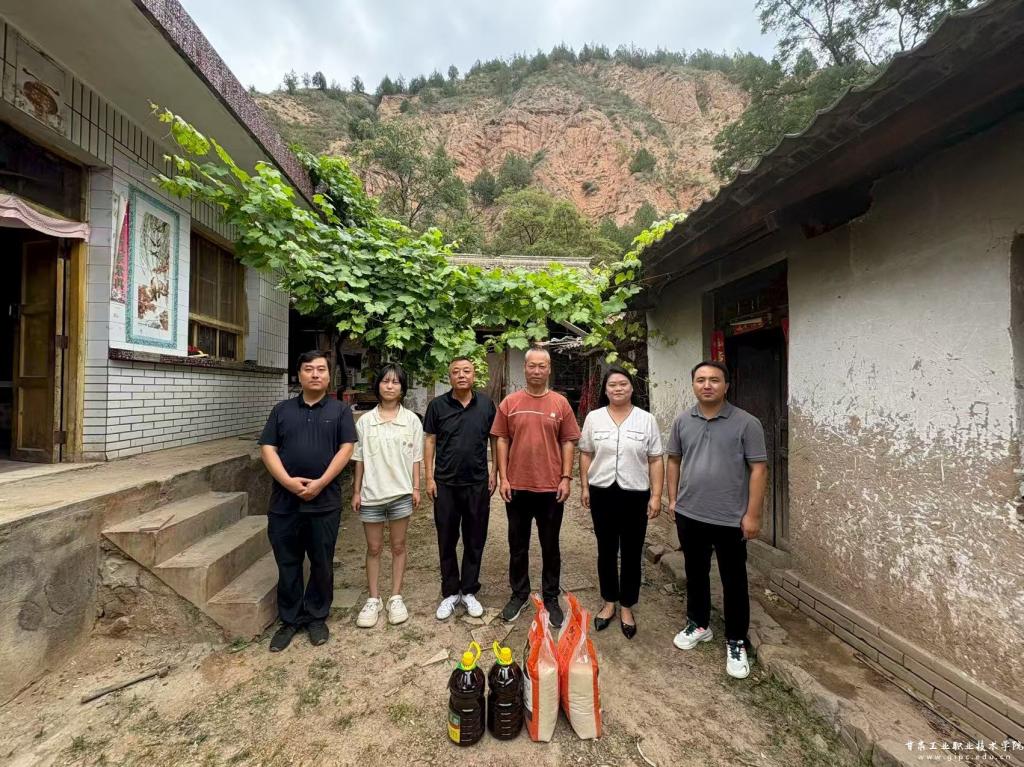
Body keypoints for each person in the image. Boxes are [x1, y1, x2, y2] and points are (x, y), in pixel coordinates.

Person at [667, 360, 768, 679]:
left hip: (730, 518)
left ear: (726, 386)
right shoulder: (683, 420)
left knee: (733, 579)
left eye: (714, 380)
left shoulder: (747, 423)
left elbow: (759, 469)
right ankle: (699, 624)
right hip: (690, 513)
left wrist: (752, 514)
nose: (707, 385)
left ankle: (736, 639)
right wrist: (673, 499)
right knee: (695, 572)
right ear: (693, 385)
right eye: (700, 380)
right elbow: (674, 459)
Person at [259, 351, 357, 652]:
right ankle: (289, 619)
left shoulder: (340, 411)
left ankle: (316, 616)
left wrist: (321, 482)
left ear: (329, 376)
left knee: (321, 561)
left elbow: (346, 449)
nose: (315, 374)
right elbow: (268, 448)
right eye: (309, 369)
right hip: (284, 503)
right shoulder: (282, 410)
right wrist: (288, 482)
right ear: (299, 375)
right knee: (287, 561)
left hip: (324, 501)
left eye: (321, 369)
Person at [491, 346, 580, 628]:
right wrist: (504, 478)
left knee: (550, 546)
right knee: (517, 545)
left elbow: (568, 441)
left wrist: (566, 477)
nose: (537, 371)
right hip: (517, 486)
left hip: (550, 488)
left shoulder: (560, 404)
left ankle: (551, 597)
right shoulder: (510, 403)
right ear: (525, 368)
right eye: (532, 366)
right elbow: (501, 439)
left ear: (549, 369)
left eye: (542, 366)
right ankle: (519, 594)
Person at [579, 366, 663, 639]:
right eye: (612, 384)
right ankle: (608, 603)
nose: (618, 388)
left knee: (631, 551)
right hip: (602, 491)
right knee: (605, 549)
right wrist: (584, 486)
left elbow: (655, 459)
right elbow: (586, 453)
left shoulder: (646, 419)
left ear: (631, 388)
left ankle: (627, 606)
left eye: (623, 384)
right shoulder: (594, 418)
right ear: (605, 390)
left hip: (635, 493)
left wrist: (656, 495)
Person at [423, 357, 498, 620]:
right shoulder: (437, 406)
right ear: (450, 376)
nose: (462, 375)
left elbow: (494, 439)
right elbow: (430, 441)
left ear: (474, 375)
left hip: (477, 482)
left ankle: (469, 590)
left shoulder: (486, 405)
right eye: (456, 371)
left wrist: (495, 471)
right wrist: (429, 477)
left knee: (475, 538)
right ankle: (450, 592)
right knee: (446, 538)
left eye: (466, 371)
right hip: (445, 483)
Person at [352, 363, 423, 628]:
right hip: (371, 495)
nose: (390, 386)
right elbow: (359, 459)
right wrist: (356, 491)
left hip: (401, 494)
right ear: (378, 385)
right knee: (373, 548)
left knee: (398, 546)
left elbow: (416, 458)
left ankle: (395, 597)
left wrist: (416, 488)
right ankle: (373, 599)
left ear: (402, 388)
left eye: (395, 382)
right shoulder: (365, 421)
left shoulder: (412, 420)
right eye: (385, 381)